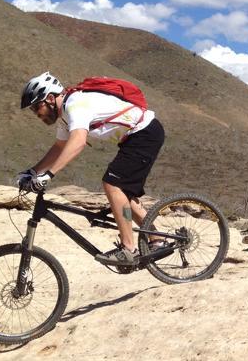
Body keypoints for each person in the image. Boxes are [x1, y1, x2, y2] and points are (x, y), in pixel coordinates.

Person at [18, 71, 166, 266]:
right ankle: (157, 239)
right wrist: (33, 171)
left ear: (51, 98)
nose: (37, 113)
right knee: (123, 195)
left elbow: (78, 142)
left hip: (144, 133)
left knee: (112, 184)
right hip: (135, 138)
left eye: (37, 106)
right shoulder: (64, 116)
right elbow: (60, 147)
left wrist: (49, 174)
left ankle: (129, 248)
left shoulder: (75, 105)